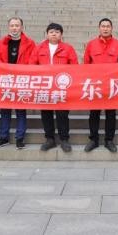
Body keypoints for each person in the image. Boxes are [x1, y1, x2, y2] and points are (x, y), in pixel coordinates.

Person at [29, 23, 78, 152]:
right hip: (44, 87)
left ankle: (64, 139)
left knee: (62, 114)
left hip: (61, 88)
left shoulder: (68, 48)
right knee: (46, 114)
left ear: (61, 34)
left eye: (57, 32)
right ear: (47, 34)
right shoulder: (39, 48)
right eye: (51, 31)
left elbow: (74, 66)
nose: (54, 34)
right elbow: (32, 65)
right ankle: (50, 139)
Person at [0, 17, 36, 149]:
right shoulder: (1, 43)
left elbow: (33, 59)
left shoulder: (30, 43)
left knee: (21, 111)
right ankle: (3, 137)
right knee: (4, 111)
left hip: (22, 80)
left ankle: (20, 138)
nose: (14, 28)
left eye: (17, 25)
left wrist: (23, 72)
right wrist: (4, 69)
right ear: (8, 27)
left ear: (22, 27)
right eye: (12, 25)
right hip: (6, 80)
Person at [84, 18, 118, 153]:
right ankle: (94, 140)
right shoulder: (91, 44)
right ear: (99, 28)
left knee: (111, 114)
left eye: (108, 26)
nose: (105, 28)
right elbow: (86, 64)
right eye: (103, 26)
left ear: (112, 28)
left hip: (112, 86)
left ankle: (109, 140)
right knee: (94, 113)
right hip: (95, 85)